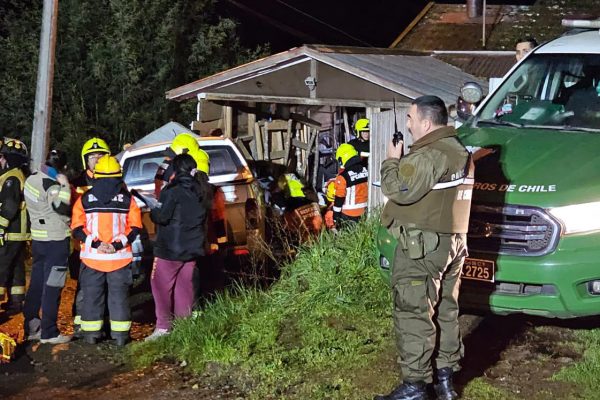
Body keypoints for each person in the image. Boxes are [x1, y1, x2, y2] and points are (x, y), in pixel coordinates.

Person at [375, 96, 474, 400]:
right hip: (452, 242)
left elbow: (397, 189)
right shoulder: (461, 150)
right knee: (445, 308)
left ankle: (415, 386)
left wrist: (392, 159)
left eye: (410, 118)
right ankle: (444, 381)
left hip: (423, 246)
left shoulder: (431, 154)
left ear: (426, 123)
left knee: (413, 310)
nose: (408, 124)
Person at [71, 155, 142, 346]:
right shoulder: (128, 200)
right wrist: (116, 245)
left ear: (96, 175)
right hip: (119, 259)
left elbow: (77, 228)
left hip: (92, 259)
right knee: (119, 298)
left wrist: (95, 244)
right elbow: (135, 228)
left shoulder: (84, 199)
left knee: (92, 297)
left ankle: (92, 335)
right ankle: (120, 337)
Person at [145, 153, 210, 341]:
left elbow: (162, 217)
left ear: (174, 170)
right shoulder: (202, 190)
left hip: (170, 249)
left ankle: (163, 327)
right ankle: (184, 326)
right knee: (184, 287)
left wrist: (153, 209)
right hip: (192, 248)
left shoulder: (171, 191)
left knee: (160, 285)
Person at [22, 149, 72, 344]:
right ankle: (49, 332)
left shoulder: (32, 178)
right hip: (56, 240)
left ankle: (31, 326)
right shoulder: (51, 184)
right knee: (53, 285)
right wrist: (65, 185)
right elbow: (61, 207)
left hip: (39, 240)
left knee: (36, 283)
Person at [70, 137, 111, 335]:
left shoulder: (115, 182)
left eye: (101, 156)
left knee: (109, 287)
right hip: (84, 245)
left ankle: (104, 322)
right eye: (92, 156)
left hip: (110, 245)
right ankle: (80, 323)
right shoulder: (77, 184)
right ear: (85, 160)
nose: (96, 160)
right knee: (85, 287)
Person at [0, 138, 31, 313]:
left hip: (11, 230)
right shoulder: (20, 174)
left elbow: (10, 205)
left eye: (3, 157)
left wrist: (0, 227)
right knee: (16, 266)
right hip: (20, 232)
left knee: (1, 265)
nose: (0, 161)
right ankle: (16, 302)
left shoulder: (12, 177)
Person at [332, 143, 368, 227]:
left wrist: (335, 217)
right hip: (365, 211)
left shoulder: (343, 177)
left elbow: (339, 199)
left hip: (349, 214)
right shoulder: (366, 170)